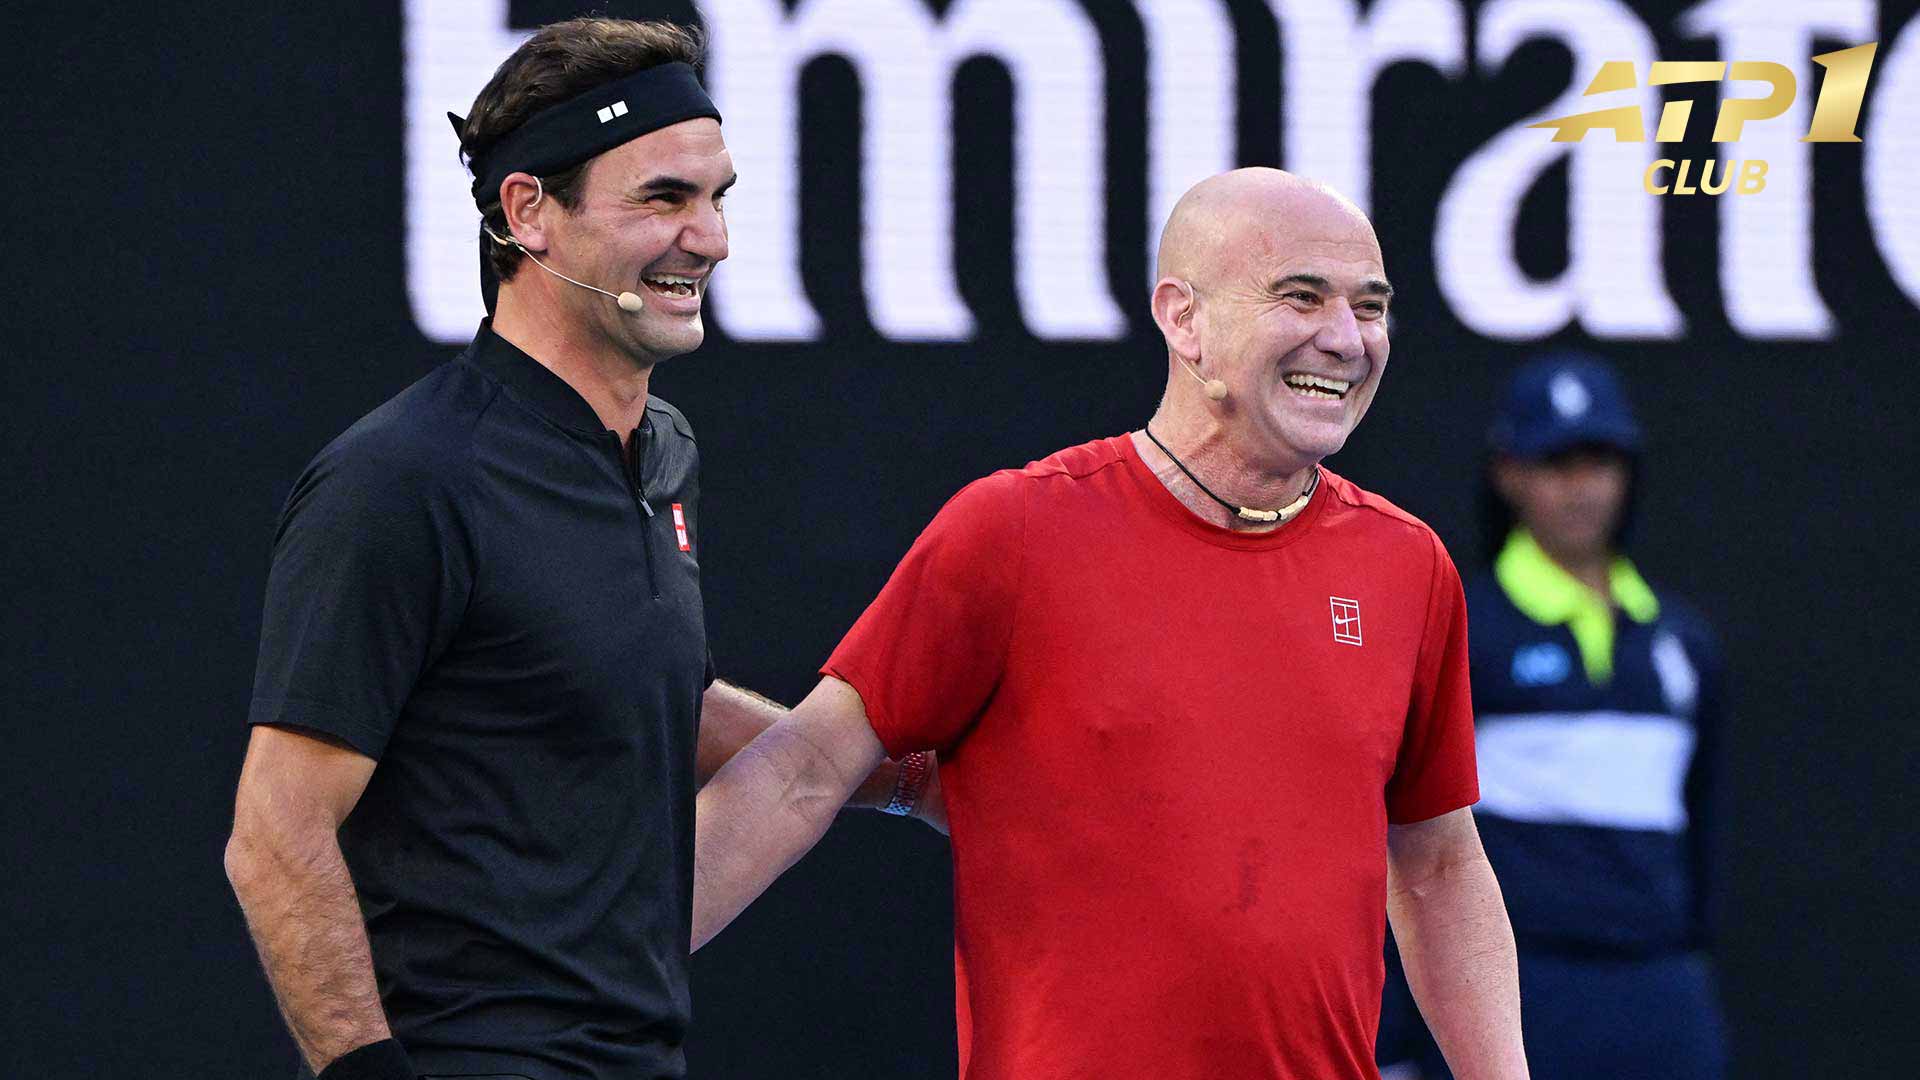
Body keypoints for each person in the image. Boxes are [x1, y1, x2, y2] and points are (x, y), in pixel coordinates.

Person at [693, 168, 1530, 1079]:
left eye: (1370, 308)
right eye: (1301, 297)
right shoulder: (1014, 531)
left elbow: (1439, 864)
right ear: (1184, 318)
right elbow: (806, 769)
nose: (1345, 339)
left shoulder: (1408, 566)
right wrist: (603, 975)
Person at [222, 19, 933, 1080]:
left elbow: (634, 697)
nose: (711, 239)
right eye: (662, 198)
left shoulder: (663, 453)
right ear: (529, 214)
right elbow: (275, 832)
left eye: (717, 197)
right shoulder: (403, 479)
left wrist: (892, 778)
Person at [1376, 354, 1729, 1079]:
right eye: (1555, 461)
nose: (1581, 486)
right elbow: (1407, 844)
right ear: (1508, 473)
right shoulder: (1460, 626)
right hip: (1516, 987)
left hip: (1658, 989)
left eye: (1598, 460)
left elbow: (1703, 832)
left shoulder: (1683, 643)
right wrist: (1396, 1042)